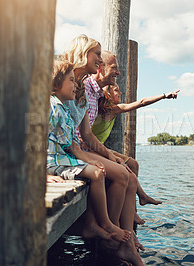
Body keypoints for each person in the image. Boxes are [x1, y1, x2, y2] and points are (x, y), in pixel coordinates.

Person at [62, 34, 144, 266]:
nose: (100, 58)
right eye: (97, 54)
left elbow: (87, 133)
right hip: (67, 150)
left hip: (77, 147)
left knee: (123, 170)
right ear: (83, 53)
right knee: (121, 174)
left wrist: (108, 154)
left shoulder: (80, 89)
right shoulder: (62, 81)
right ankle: (110, 237)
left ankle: (121, 237)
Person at [46, 59, 130, 244]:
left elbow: (72, 143)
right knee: (96, 173)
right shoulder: (52, 108)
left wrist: (89, 160)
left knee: (97, 171)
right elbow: (70, 146)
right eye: (70, 80)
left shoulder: (62, 109)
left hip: (61, 160)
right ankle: (105, 224)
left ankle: (100, 223)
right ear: (56, 82)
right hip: (52, 163)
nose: (75, 85)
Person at [93, 84, 179, 144]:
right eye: (116, 90)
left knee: (133, 164)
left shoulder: (104, 108)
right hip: (93, 149)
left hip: (97, 147)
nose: (120, 93)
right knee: (128, 167)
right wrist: (163, 96)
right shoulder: (112, 109)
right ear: (107, 94)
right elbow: (142, 102)